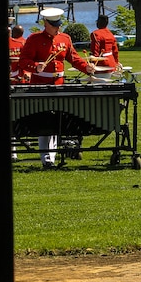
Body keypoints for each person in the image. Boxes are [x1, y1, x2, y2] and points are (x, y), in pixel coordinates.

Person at [17, 8, 95, 166]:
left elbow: (74, 58)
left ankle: (55, 154)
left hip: (59, 85)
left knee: (58, 120)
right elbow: (23, 61)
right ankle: (47, 158)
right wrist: (35, 66)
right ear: (46, 23)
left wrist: (86, 68)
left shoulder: (65, 39)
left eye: (59, 25)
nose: (58, 28)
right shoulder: (34, 39)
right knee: (44, 121)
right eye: (54, 25)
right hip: (40, 85)